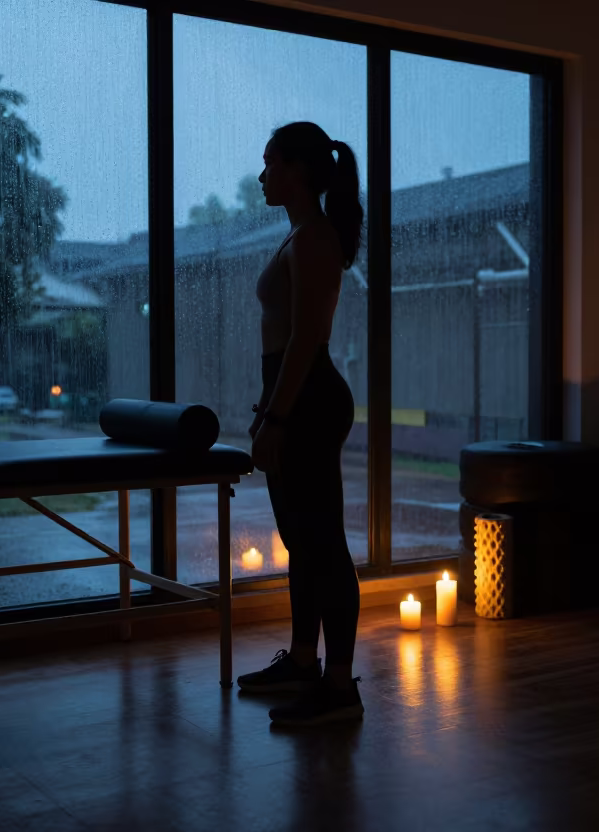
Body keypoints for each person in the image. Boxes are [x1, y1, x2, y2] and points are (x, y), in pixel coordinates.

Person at [235, 121, 365, 727]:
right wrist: (271, 412)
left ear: (299, 171)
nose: (262, 175)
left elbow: (308, 339)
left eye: (270, 163)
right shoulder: (298, 236)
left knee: (323, 547)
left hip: (308, 403)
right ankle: (304, 664)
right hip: (295, 399)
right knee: (303, 546)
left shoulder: (313, 238)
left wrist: (276, 419)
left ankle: (338, 687)